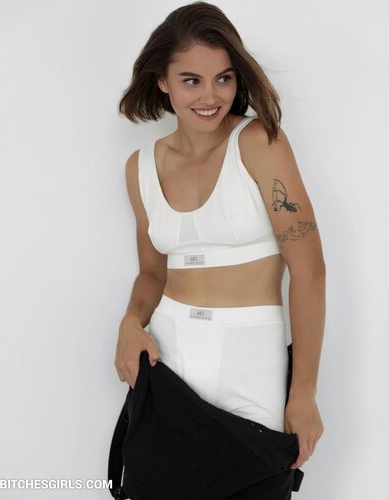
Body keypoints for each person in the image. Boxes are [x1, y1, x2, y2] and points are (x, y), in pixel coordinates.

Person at [114, 1, 325, 496]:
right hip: (169, 358)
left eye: (223, 79)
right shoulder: (140, 167)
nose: (210, 96)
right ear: (162, 81)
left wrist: (304, 392)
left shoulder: (259, 142)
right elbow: (152, 274)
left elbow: (310, 270)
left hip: (251, 361)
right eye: (191, 80)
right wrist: (130, 323)